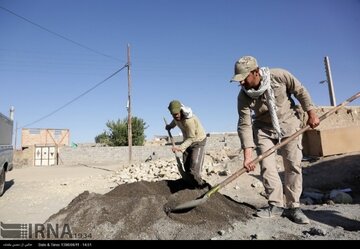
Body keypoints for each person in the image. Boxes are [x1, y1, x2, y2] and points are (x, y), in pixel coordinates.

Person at [230, 56, 320, 224]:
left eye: (243, 79)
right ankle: (276, 205)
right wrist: (248, 156)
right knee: (267, 166)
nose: (241, 83)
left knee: (293, 164)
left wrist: (311, 113)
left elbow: (300, 91)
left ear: (255, 72)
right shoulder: (243, 96)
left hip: (288, 122)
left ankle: (294, 207)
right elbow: (244, 125)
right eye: (238, 81)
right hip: (263, 129)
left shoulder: (279, 75)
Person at [165, 100, 207, 188]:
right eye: (173, 115)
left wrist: (180, 147)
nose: (176, 116)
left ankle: (200, 186)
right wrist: (170, 126)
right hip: (188, 141)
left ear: (181, 111)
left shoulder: (189, 120)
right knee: (186, 165)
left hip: (198, 141)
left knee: (195, 166)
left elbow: (192, 137)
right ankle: (189, 185)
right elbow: (174, 122)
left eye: (177, 114)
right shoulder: (176, 118)